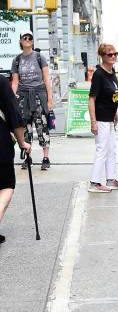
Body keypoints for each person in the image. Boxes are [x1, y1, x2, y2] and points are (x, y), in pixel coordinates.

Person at [11, 30, 53, 171]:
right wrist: (11, 100)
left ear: (33, 40)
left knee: (42, 126)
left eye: (30, 38)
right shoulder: (17, 60)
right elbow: (15, 82)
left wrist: (49, 99)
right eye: (25, 37)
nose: (28, 39)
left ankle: (45, 158)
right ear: (21, 41)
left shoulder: (39, 57)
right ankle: (28, 158)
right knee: (25, 128)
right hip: (23, 97)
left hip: (39, 95)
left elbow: (47, 79)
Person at [88, 44, 118, 193]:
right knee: (102, 149)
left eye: (114, 54)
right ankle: (94, 182)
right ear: (102, 56)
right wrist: (93, 122)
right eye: (109, 54)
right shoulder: (99, 74)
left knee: (111, 149)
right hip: (101, 118)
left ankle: (111, 179)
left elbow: (113, 95)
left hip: (110, 118)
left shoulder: (112, 73)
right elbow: (91, 99)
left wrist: (115, 113)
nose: (113, 56)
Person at [0, 74, 32, 242]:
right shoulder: (1, 82)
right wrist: (22, 142)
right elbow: (14, 114)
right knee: (5, 186)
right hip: (0, 144)